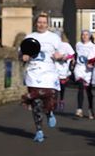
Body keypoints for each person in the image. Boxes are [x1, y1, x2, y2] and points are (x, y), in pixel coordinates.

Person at [20, 12, 63, 143]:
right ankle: (39, 131)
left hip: (49, 73)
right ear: (35, 23)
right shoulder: (30, 37)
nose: (41, 25)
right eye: (39, 22)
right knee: (36, 104)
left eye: (44, 22)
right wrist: (24, 57)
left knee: (51, 95)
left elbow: (62, 53)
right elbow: (21, 54)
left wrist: (59, 56)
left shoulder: (54, 37)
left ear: (48, 24)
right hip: (33, 73)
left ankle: (49, 112)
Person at [73, 29, 95, 119]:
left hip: (88, 70)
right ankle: (79, 109)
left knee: (88, 91)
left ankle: (90, 109)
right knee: (80, 87)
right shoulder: (78, 44)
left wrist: (92, 63)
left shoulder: (93, 46)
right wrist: (73, 60)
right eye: (83, 34)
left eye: (86, 35)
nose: (84, 36)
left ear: (90, 36)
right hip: (79, 68)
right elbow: (76, 55)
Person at [55, 31, 75, 112]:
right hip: (54, 68)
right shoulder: (52, 45)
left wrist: (65, 57)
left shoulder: (66, 45)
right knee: (54, 87)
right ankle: (54, 102)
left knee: (62, 86)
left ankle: (61, 100)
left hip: (63, 68)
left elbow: (72, 54)